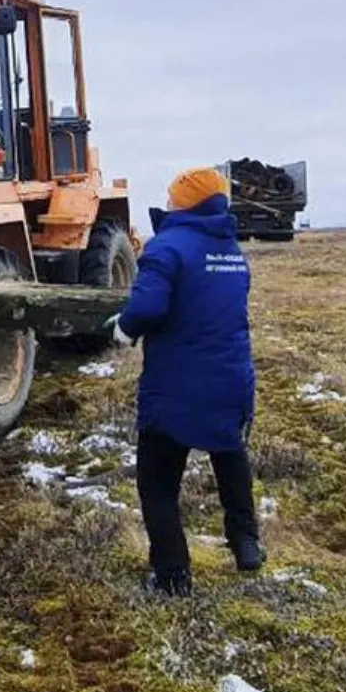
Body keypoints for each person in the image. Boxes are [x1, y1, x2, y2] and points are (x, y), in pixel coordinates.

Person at [104, 165, 263, 595]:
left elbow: (149, 306)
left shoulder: (166, 247)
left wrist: (125, 328)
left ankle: (173, 576)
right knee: (229, 452)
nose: (170, 201)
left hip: (176, 383)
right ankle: (246, 543)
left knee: (157, 483)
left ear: (186, 202)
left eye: (175, 195)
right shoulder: (231, 250)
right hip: (232, 377)